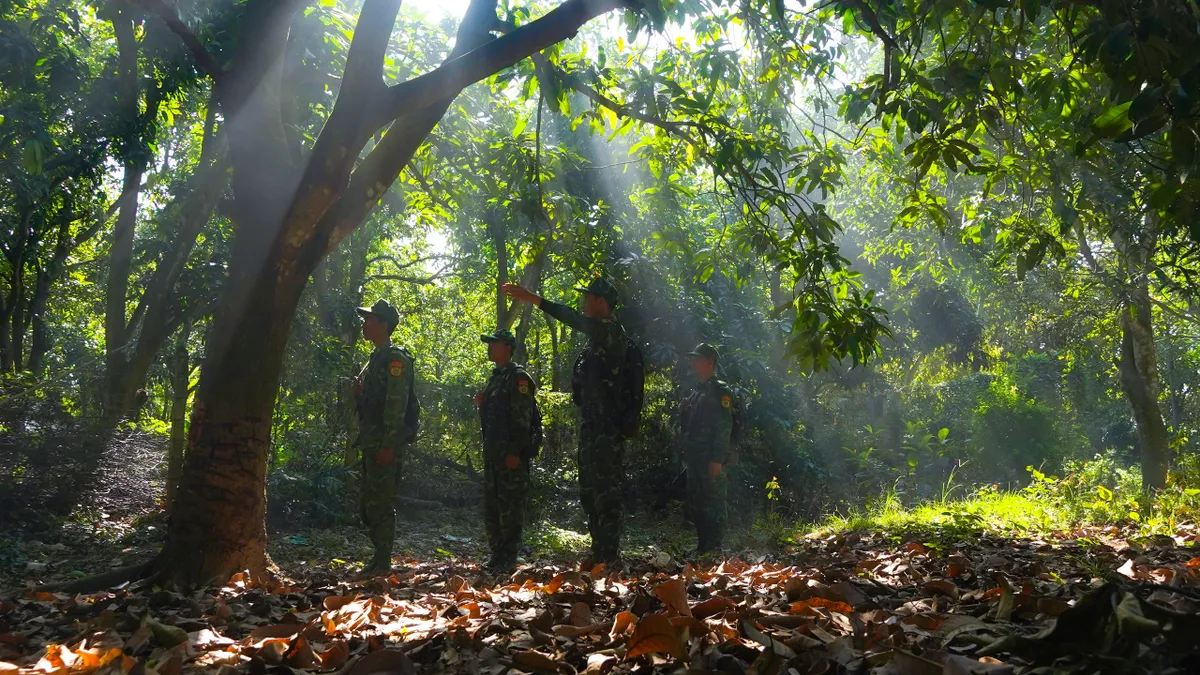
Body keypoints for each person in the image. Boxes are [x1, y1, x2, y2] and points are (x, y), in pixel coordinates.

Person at [503, 277, 629, 564]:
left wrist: (534, 298)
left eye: (588, 298)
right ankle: (599, 551)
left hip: (607, 428)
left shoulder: (610, 332)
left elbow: (572, 318)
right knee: (590, 489)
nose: (583, 302)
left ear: (601, 303)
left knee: (606, 491)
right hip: (592, 425)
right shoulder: (597, 336)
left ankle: (609, 555)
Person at [351, 299, 414, 575]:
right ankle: (379, 558)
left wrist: (389, 443)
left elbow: (396, 403)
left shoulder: (394, 358)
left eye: (370, 319)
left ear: (384, 324)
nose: (365, 323)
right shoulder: (375, 358)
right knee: (369, 504)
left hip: (384, 442)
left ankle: (383, 561)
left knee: (381, 502)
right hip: (371, 440)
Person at [475, 328, 539, 573]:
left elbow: (522, 419)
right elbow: (494, 418)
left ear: (507, 348)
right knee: (493, 506)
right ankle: (497, 555)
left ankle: (509, 558)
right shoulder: (496, 377)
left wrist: (514, 451)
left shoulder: (519, 378)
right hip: (493, 454)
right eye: (489, 342)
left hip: (510, 456)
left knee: (510, 507)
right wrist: (481, 404)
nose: (490, 347)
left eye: (495, 343)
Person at [678, 343, 734, 556]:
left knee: (714, 503)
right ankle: (703, 547)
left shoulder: (721, 391)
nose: (693, 362)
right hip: (695, 458)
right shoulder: (698, 391)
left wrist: (717, 459)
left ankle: (715, 548)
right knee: (697, 503)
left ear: (709, 362)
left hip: (710, 458)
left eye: (697, 359)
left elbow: (724, 427)